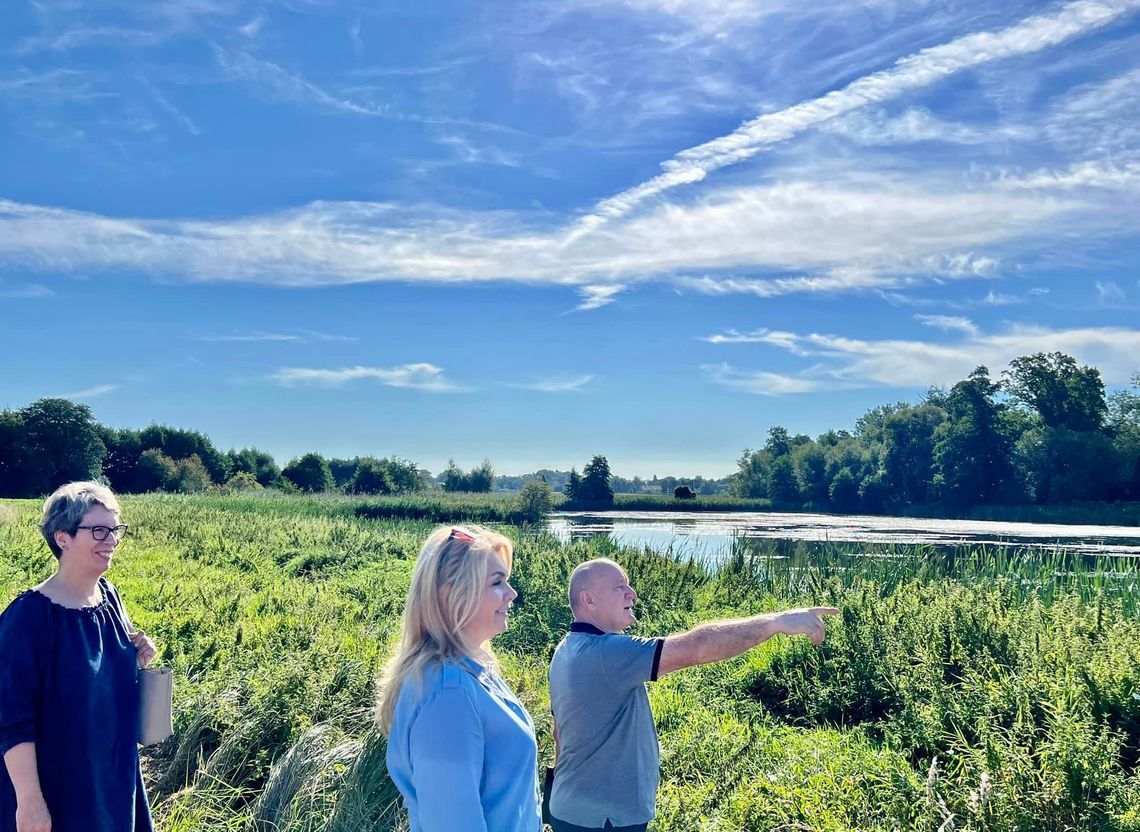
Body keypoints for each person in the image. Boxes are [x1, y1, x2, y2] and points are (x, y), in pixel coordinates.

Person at [547, 557, 839, 832]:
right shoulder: (607, 653)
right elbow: (696, 648)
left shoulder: (567, 648)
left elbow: (559, 730)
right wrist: (776, 622)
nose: (632, 593)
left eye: (629, 584)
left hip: (573, 808)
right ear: (589, 600)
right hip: (603, 818)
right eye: (619, 587)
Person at [0, 481, 158, 832]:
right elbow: (12, 721)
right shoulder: (29, 618)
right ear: (63, 538)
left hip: (112, 779)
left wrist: (137, 658)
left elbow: (98, 678)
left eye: (116, 530)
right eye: (99, 531)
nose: (112, 541)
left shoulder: (110, 599)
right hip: (59, 790)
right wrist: (30, 802)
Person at [378, 525, 541, 832]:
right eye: (497, 582)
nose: (512, 593)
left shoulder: (472, 670)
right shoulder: (448, 694)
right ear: (451, 595)